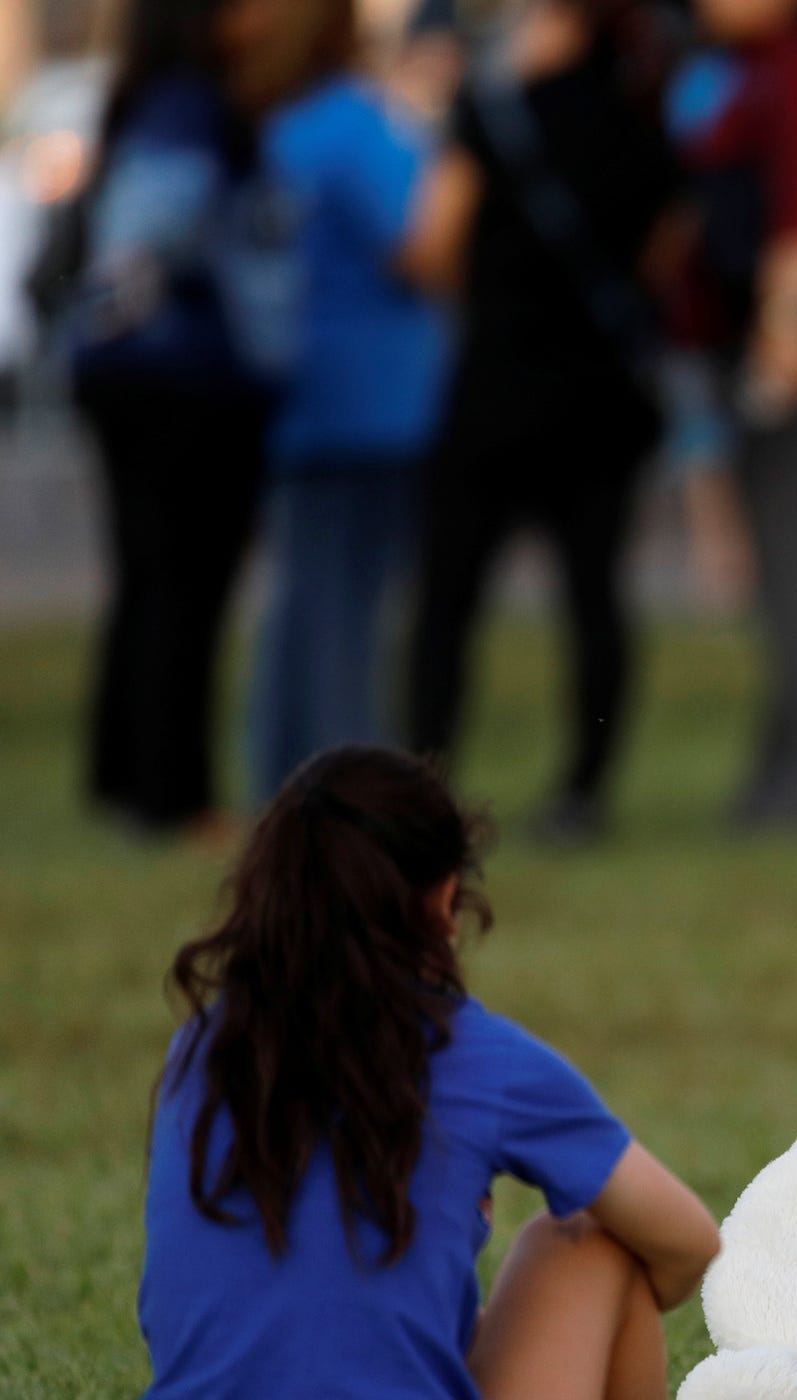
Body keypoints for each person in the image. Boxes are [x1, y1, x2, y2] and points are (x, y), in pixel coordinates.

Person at [112, 746, 730, 1400]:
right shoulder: (474, 1052)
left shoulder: (202, 1052)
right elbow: (685, 1240)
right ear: (443, 899)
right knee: (596, 1242)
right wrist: (539, 1359)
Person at [402, 0, 683, 845]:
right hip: (599, 398)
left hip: (494, 386)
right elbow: (666, 257)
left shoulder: (492, 116)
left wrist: (495, 303)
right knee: (595, 598)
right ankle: (582, 791)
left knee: (447, 600)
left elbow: (431, 243)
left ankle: (426, 790)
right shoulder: (646, 119)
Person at [66, 0, 281, 841]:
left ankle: (127, 777)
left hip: (127, 375)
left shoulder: (139, 100)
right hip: (185, 376)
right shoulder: (193, 108)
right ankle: (172, 793)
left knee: (146, 579)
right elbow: (155, 224)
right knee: (185, 586)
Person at [675, 0, 797, 827]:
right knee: (783, 560)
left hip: (783, 334)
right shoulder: (750, 64)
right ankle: (787, 771)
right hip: (750, 328)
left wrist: (787, 320)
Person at [244, 0, 446, 804]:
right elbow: (418, 247)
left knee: (302, 603)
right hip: (377, 397)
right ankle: (344, 796)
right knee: (347, 615)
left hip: (304, 392)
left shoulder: (281, 125)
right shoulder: (356, 127)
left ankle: (286, 780)